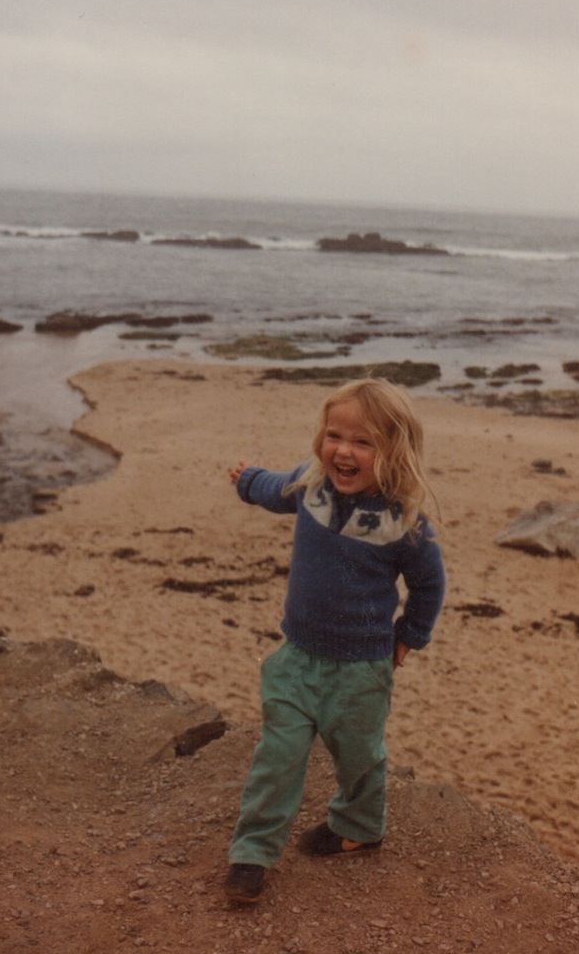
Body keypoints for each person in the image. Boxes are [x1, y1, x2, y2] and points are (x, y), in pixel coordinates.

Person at [224, 377, 446, 903]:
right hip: (296, 658)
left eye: (363, 442)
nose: (343, 450)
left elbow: (429, 585)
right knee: (277, 755)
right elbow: (273, 488)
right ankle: (251, 854)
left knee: (359, 756)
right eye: (334, 436)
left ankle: (359, 825)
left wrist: (409, 636)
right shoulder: (311, 485)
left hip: (363, 670)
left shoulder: (407, 525)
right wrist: (246, 479)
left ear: (395, 451)